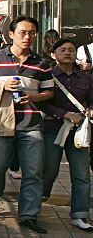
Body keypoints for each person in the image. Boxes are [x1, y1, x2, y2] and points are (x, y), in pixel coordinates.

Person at [0, 15, 55, 234]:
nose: (28, 37)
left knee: (33, 172)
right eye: (23, 32)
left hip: (31, 125)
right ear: (11, 34)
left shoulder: (41, 63)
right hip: (2, 123)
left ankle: (29, 215)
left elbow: (48, 92)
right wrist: (2, 86)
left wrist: (33, 97)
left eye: (32, 33)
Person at [40, 38, 93, 232]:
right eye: (63, 50)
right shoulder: (48, 76)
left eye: (71, 50)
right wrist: (63, 114)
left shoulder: (86, 78)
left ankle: (80, 215)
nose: (68, 53)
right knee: (49, 170)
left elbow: (92, 100)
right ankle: (38, 201)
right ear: (54, 54)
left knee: (81, 175)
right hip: (53, 128)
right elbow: (42, 103)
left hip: (78, 132)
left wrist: (89, 110)